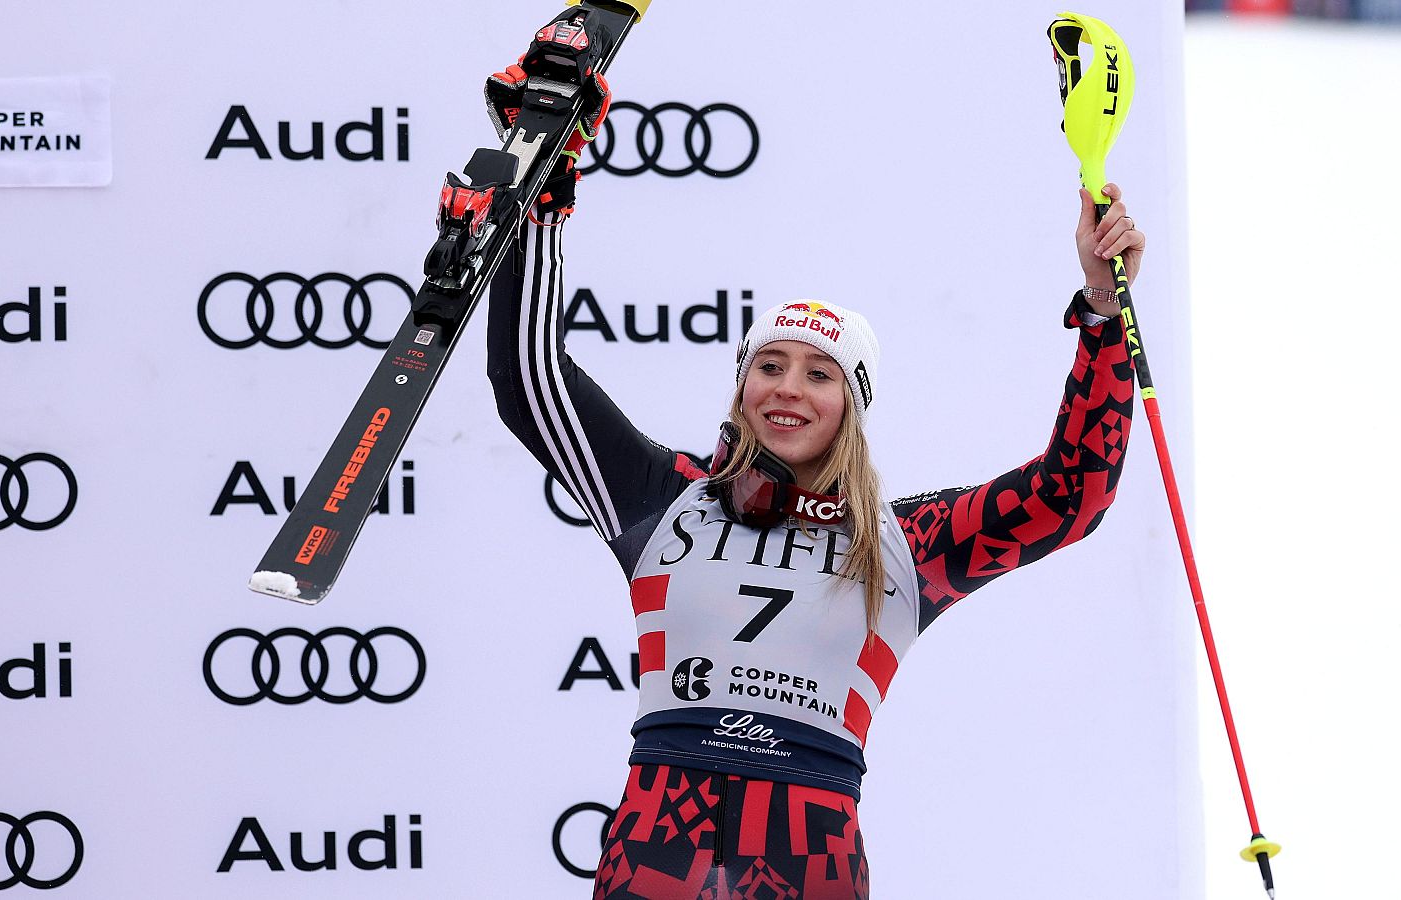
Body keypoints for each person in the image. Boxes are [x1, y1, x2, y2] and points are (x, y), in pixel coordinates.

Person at [484, 63, 1143, 900]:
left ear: (852, 407)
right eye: (769, 364)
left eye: (819, 374)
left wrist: (1101, 307)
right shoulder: (661, 496)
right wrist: (541, 193)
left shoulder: (908, 544)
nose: (788, 388)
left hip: (808, 862)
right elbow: (526, 374)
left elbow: (1070, 494)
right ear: (742, 385)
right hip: (658, 850)